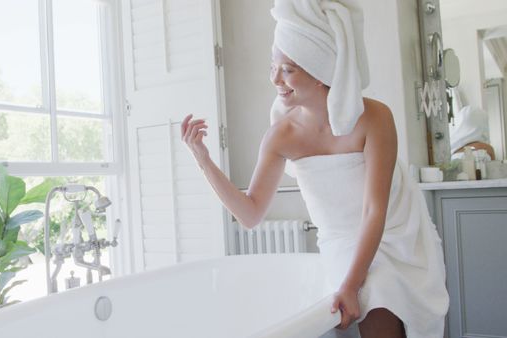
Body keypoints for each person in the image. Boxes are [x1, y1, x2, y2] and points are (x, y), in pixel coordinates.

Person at [180, 0, 449, 337]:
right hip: (340, 243)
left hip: (392, 236)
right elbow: (249, 215)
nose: (276, 79)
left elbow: (374, 209)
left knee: (379, 292)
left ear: (321, 71)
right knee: (370, 297)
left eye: (288, 69)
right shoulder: (281, 136)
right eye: (273, 66)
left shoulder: (375, 118)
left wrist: (352, 284)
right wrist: (203, 159)